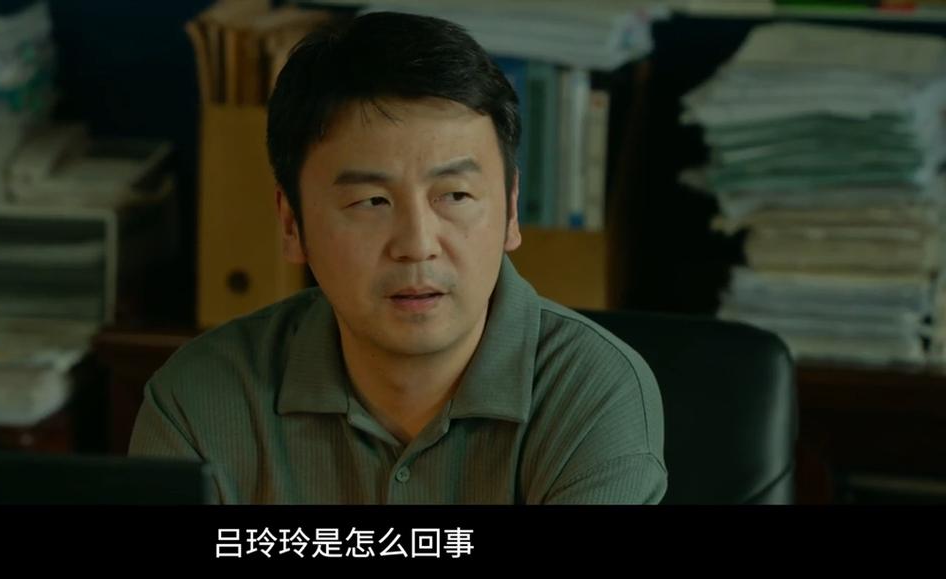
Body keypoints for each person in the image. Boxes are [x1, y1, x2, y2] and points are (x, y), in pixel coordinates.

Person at [130, 11, 667, 504]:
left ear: (510, 210)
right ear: (292, 225)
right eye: (371, 202)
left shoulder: (592, 393)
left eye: (454, 195)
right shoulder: (201, 398)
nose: (417, 243)